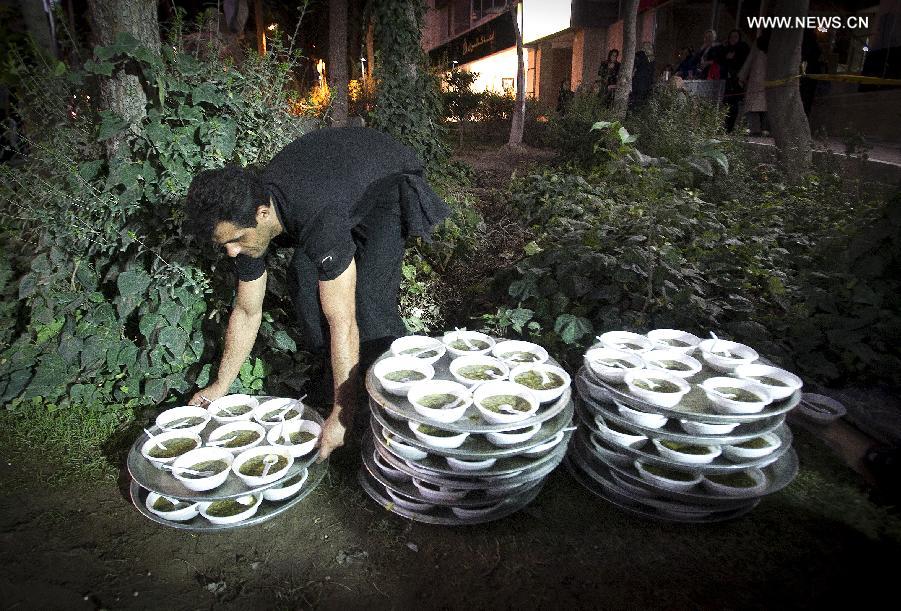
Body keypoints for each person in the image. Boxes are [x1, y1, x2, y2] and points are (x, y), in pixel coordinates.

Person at [183, 127, 451, 461]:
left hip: (385, 184)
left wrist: (342, 415)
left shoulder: (316, 215)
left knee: (368, 303)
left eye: (235, 240)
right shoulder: (244, 222)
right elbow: (247, 311)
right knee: (303, 280)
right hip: (334, 184)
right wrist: (220, 385)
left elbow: (343, 322)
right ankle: (338, 381)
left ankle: (390, 411)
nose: (232, 252)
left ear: (262, 214)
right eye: (225, 244)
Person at [739, 32, 770, 136]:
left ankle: (755, 129)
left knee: (754, 106)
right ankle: (763, 130)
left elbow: (750, 60)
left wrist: (742, 76)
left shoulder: (760, 42)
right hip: (766, 80)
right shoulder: (777, 42)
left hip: (758, 79)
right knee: (763, 106)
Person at [720, 29, 750, 132]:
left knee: (734, 104)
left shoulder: (742, 48)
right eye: (731, 37)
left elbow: (743, 64)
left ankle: (731, 128)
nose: (733, 39)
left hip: (737, 81)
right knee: (727, 104)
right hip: (727, 81)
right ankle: (726, 127)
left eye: (735, 37)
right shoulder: (726, 49)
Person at [630, 42, 656, 108]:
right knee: (638, 102)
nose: (651, 49)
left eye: (651, 47)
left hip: (646, 84)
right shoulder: (640, 55)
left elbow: (651, 72)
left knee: (642, 102)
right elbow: (633, 67)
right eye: (649, 47)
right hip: (639, 83)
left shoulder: (651, 58)